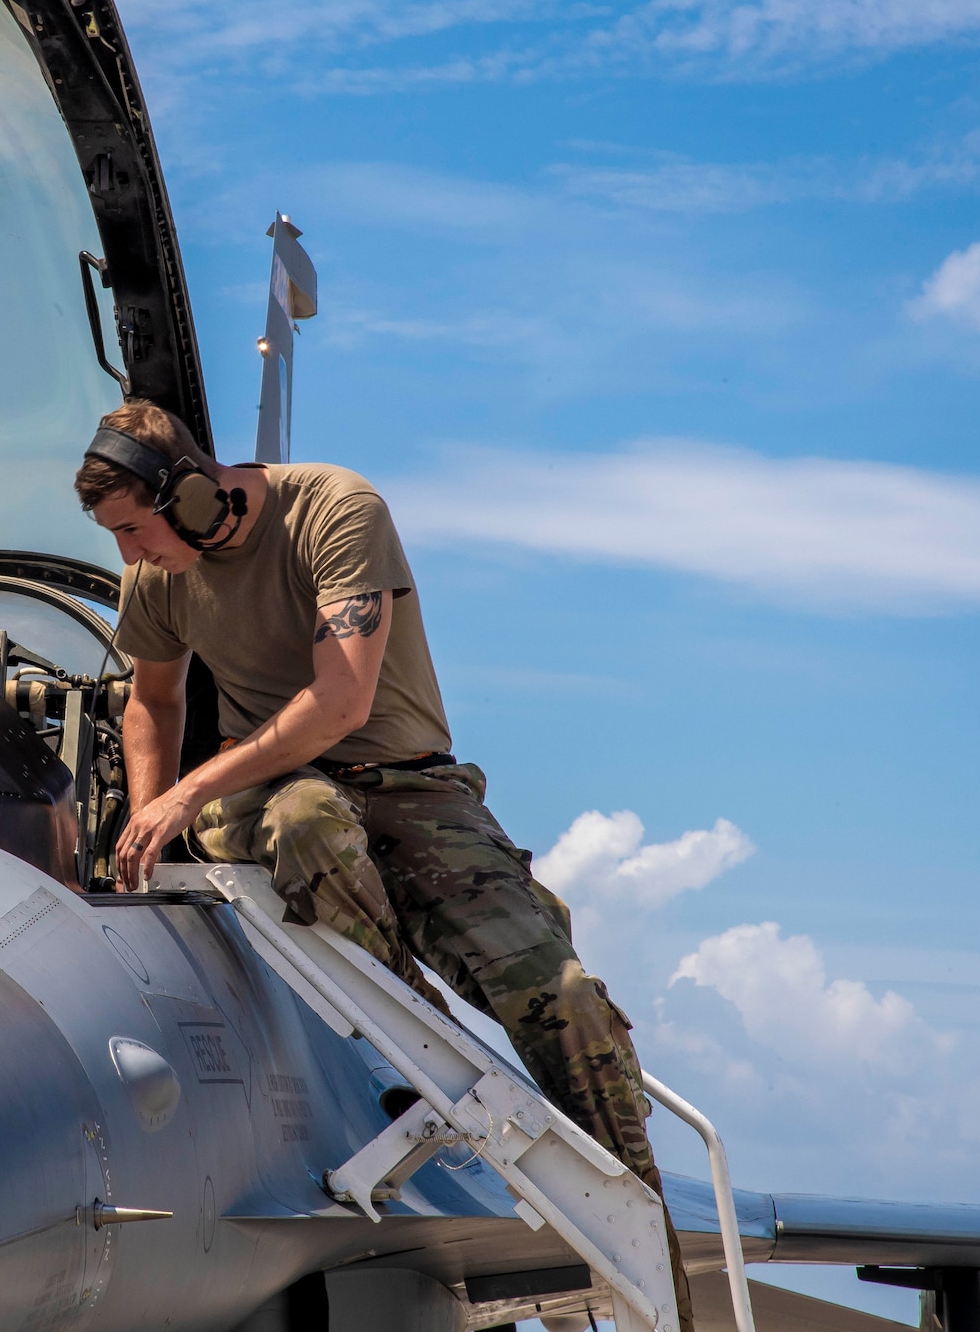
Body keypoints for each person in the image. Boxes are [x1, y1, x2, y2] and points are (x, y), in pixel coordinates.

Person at [76, 399, 694, 1330]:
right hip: (280, 796)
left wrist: (183, 793)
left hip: (413, 788)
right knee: (312, 819)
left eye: (133, 528)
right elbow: (150, 700)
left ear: (195, 494)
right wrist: (151, 826)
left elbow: (340, 701)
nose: (128, 556)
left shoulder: (337, 510)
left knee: (565, 1001)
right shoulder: (157, 576)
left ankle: (656, 1275)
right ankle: (421, 1048)